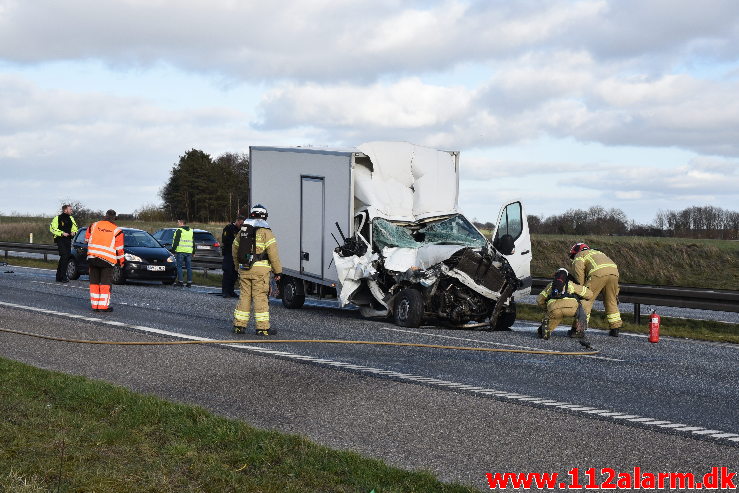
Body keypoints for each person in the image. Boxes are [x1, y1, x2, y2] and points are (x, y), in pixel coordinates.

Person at [232, 204, 282, 336]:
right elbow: (273, 254)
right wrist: (278, 271)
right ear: (264, 216)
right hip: (260, 271)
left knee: (244, 297)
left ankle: (239, 326)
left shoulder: (243, 231)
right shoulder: (267, 232)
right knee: (260, 297)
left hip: (244, 269)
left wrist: (237, 266)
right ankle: (262, 328)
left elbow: (235, 249)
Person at [569, 242, 623, 336]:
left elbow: (579, 272)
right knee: (611, 301)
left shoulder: (579, 255)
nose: (573, 257)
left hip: (597, 274)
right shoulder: (598, 252)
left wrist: (581, 288)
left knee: (586, 300)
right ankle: (615, 328)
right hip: (614, 273)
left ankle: (578, 329)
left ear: (576, 251)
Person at [537, 268, 593, 339]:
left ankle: (546, 329)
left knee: (555, 317)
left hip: (554, 309)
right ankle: (577, 331)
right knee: (586, 305)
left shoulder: (550, 286)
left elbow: (539, 300)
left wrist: (547, 309)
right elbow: (589, 294)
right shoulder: (570, 284)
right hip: (571, 308)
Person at [85, 210, 124, 312]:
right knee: (105, 284)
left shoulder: (93, 225)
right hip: (107, 260)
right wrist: (121, 262)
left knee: (94, 282)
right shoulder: (117, 230)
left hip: (92, 258)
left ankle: (95, 306)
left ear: (104, 216)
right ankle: (103, 306)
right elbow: (119, 249)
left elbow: (87, 240)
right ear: (114, 218)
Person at [49, 204, 79, 283]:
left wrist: (74, 232)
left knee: (65, 257)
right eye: (70, 209)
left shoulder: (71, 218)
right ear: (65, 210)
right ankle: (63, 276)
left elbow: (75, 228)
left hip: (68, 239)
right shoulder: (57, 218)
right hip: (60, 239)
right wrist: (62, 233)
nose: (71, 211)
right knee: (64, 256)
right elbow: (52, 228)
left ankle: (58, 276)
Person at [221, 215, 245, 297]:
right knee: (228, 272)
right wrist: (235, 244)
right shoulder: (229, 228)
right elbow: (225, 240)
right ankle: (225, 291)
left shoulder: (242, 230)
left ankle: (231, 291)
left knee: (235, 273)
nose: (241, 226)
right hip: (229, 253)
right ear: (237, 221)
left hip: (237, 255)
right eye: (241, 224)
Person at [172, 219, 194, 287]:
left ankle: (180, 282)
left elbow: (176, 241)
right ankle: (189, 282)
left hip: (181, 251)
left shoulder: (179, 230)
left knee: (179, 267)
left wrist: (173, 250)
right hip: (189, 251)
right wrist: (193, 251)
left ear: (181, 223)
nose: (177, 224)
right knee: (189, 267)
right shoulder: (191, 230)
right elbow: (193, 241)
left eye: (178, 222)